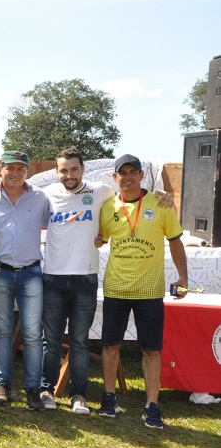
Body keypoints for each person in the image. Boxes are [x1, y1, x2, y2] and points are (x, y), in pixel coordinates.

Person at [38, 148, 174, 414]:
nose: (69, 175)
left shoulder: (101, 192)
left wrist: (163, 194)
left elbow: (132, 195)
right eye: (64, 170)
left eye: (74, 169)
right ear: (56, 172)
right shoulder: (45, 194)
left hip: (85, 278)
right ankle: (46, 389)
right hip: (52, 277)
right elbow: (15, 189)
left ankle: (79, 395)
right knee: (51, 340)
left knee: (79, 341)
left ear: (83, 169)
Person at [98, 154, 188, 429]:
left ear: (141, 176)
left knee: (150, 349)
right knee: (110, 345)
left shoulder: (161, 203)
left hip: (150, 290)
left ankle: (152, 405)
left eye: (133, 172)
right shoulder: (108, 206)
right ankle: (109, 398)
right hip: (116, 287)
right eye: (122, 173)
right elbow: (99, 237)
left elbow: (175, 242)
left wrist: (183, 277)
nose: (127, 177)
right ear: (114, 177)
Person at [0, 150, 50, 410]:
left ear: (27, 170)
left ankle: (32, 389)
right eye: (10, 168)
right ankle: (2, 384)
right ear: (0, 168)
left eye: (20, 168)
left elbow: (61, 220)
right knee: (3, 331)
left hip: (31, 273)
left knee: (33, 333)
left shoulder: (41, 197)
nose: (15, 173)